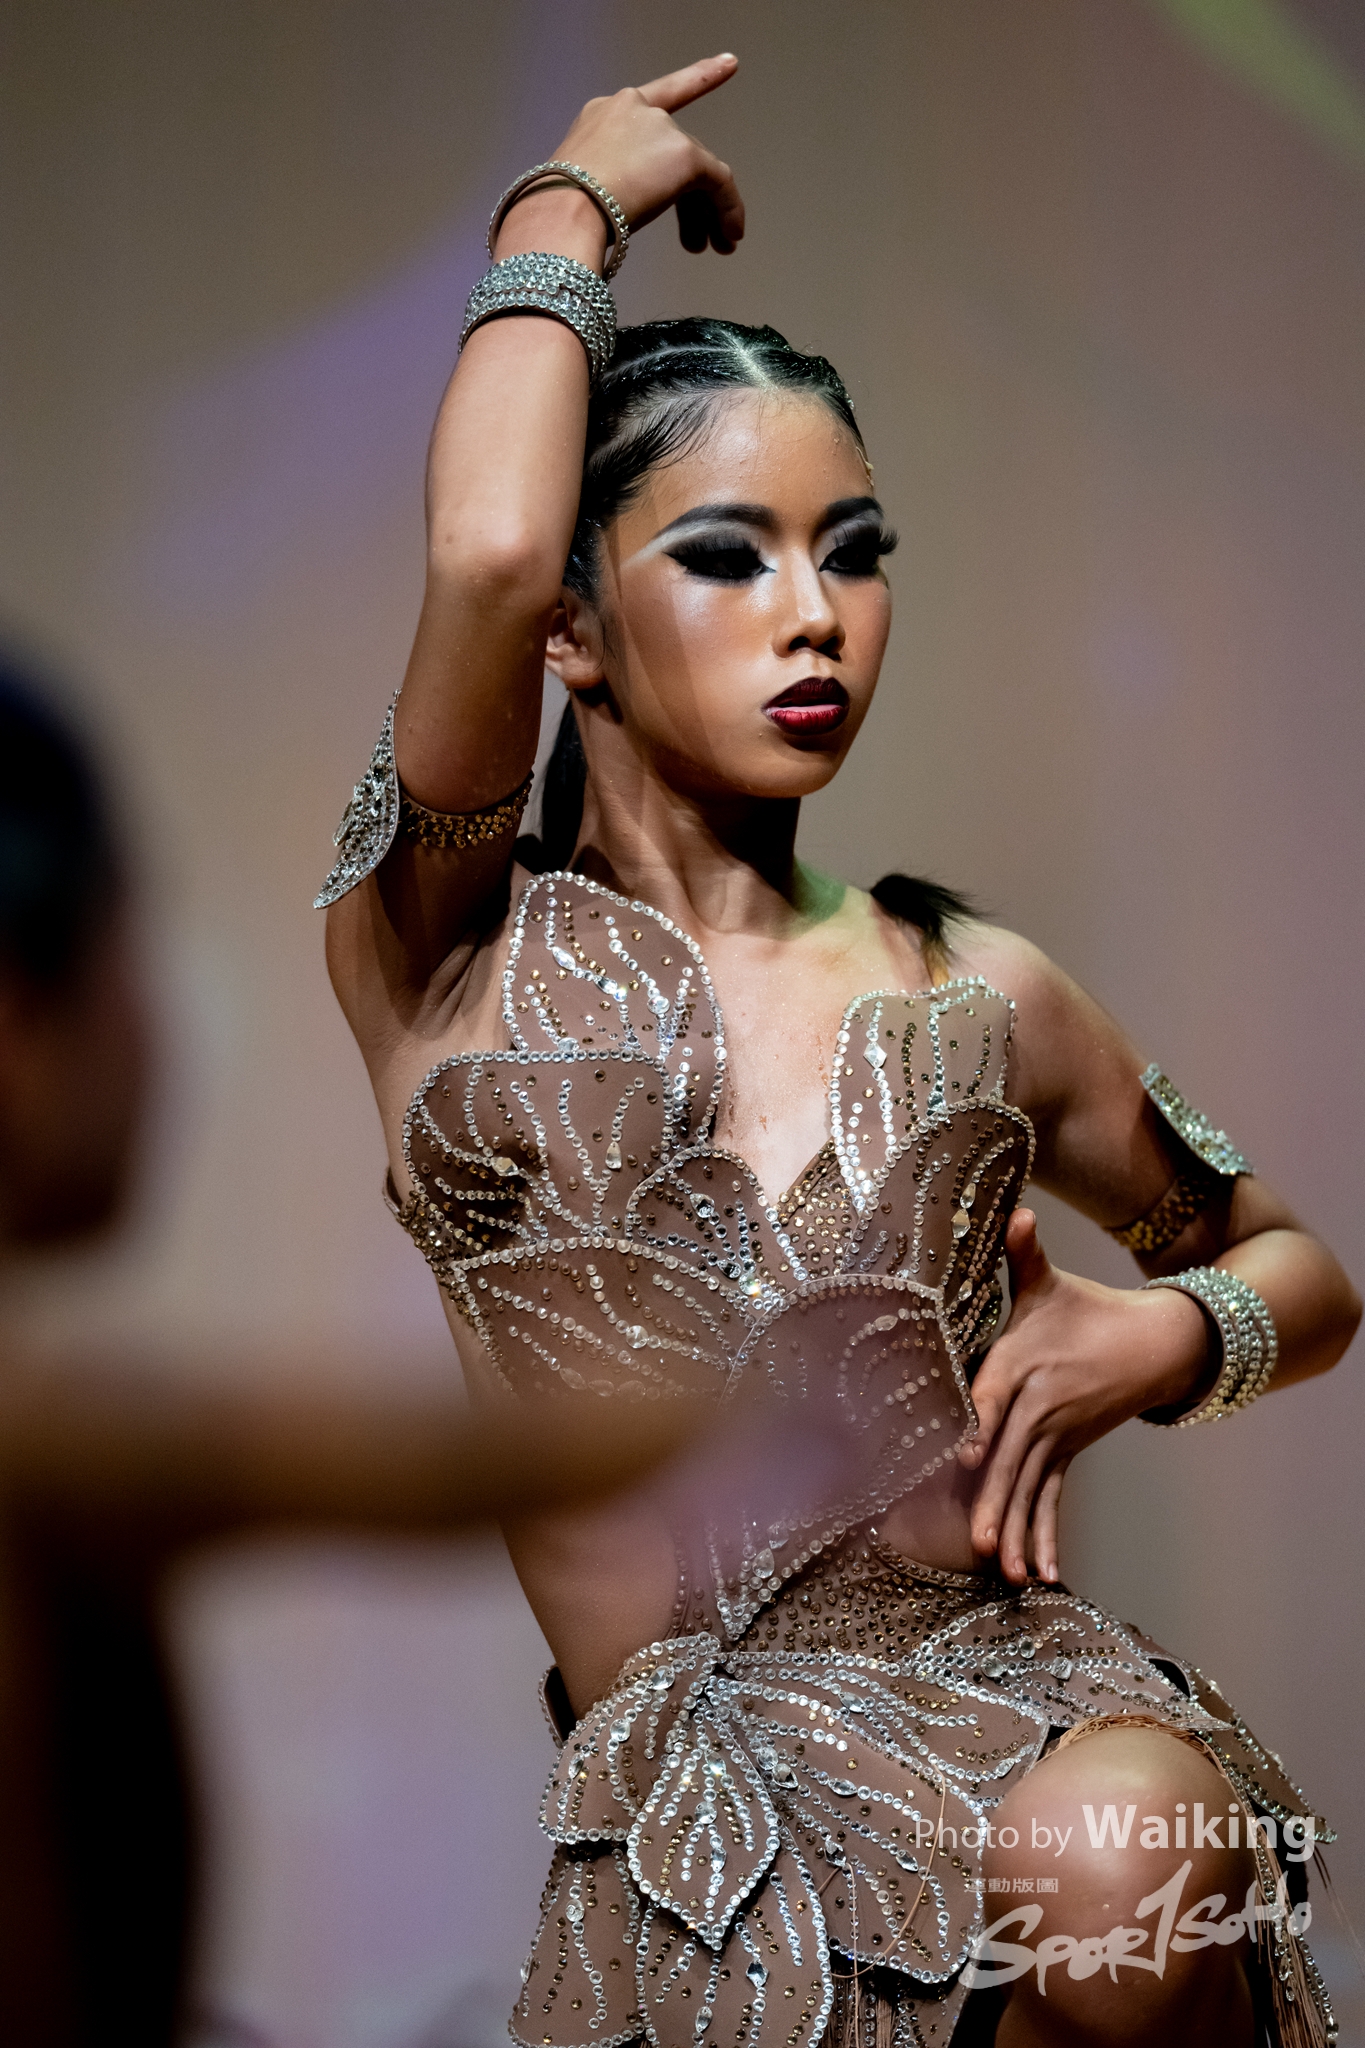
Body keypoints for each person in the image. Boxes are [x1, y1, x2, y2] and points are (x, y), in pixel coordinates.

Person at [318, 55, 1360, 2048]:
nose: (814, 616)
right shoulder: (447, 956)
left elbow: (1301, 1269)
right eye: (727, 555)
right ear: (568, 631)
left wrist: (1162, 1336)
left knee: (1128, 1850)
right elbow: (480, 553)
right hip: (690, 1866)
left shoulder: (971, 983)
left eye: (855, 550)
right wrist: (567, 200)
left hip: (1038, 1765)